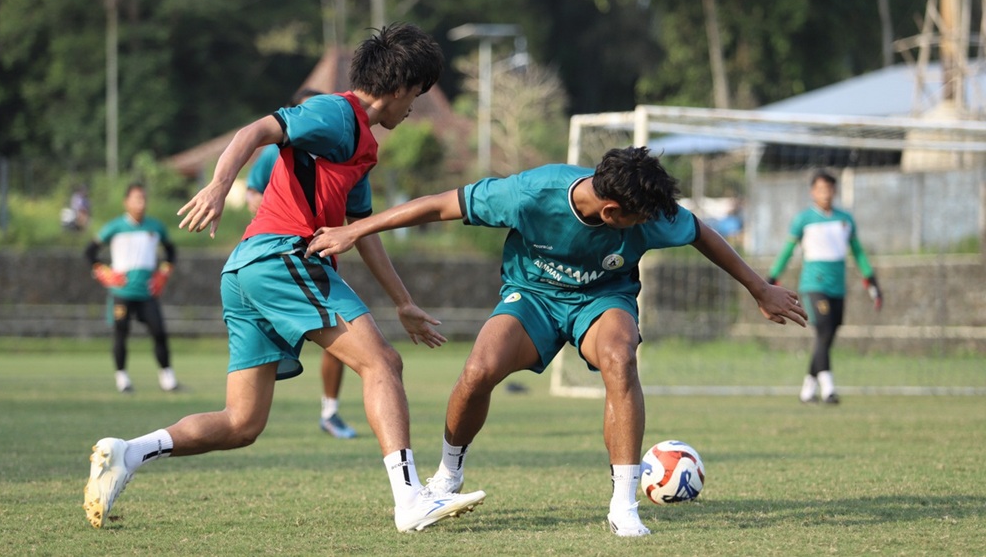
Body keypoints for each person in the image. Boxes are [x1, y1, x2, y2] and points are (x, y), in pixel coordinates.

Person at [82, 23, 485, 533]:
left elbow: (361, 231)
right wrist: (218, 185)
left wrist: (402, 301)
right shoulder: (336, 113)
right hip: (282, 257)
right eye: (418, 97)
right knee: (382, 362)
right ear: (401, 88)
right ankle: (410, 500)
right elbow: (256, 131)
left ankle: (128, 453)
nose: (415, 109)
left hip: (248, 269)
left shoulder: (362, 145)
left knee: (242, 423)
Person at [305, 146, 808, 537]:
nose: (652, 225)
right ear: (611, 212)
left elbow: (699, 231)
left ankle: (623, 506)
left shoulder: (649, 210)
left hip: (603, 299)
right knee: (479, 370)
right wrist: (360, 228)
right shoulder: (531, 193)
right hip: (532, 295)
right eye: (638, 220)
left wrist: (759, 287)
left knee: (620, 357)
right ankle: (448, 475)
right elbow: (440, 205)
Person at [246, 87, 358, 440]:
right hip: (279, 255)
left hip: (318, 258)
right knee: (372, 352)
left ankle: (329, 411)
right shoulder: (280, 148)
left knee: (349, 341)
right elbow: (253, 195)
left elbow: (358, 219)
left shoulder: (339, 150)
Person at [767, 169, 882, 405]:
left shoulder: (845, 220)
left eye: (829, 189)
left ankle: (808, 389)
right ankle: (828, 388)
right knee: (824, 330)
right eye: (820, 189)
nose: (825, 193)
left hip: (837, 286)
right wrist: (772, 278)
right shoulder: (803, 220)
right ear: (812, 192)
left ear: (835, 191)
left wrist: (871, 280)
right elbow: (788, 251)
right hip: (813, 285)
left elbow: (858, 253)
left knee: (827, 336)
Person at [85, 182, 179, 393]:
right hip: (122, 292)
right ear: (126, 202)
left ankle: (168, 378)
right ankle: (122, 378)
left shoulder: (156, 227)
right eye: (137, 198)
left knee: (159, 332)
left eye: (144, 198)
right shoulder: (115, 227)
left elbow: (171, 252)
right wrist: (103, 272)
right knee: (121, 332)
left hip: (147, 292)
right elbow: (90, 252)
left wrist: (163, 273)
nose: (141, 203)